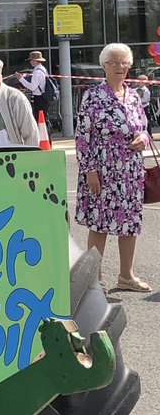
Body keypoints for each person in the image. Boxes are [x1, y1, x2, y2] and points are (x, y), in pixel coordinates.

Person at [75, 42, 151, 293]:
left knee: (130, 222)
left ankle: (126, 276)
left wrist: (143, 138)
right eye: (115, 62)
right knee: (99, 225)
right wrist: (89, 170)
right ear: (104, 66)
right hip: (103, 170)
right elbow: (83, 137)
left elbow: (143, 126)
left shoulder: (133, 95)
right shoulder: (93, 97)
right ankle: (93, 281)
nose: (120, 67)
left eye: (124, 63)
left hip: (130, 170)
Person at [18, 50, 51, 120]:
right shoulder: (42, 69)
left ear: (36, 61)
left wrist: (21, 79)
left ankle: (40, 131)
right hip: (43, 96)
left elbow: (32, 87)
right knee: (43, 118)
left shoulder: (37, 72)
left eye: (32, 60)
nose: (30, 62)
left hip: (39, 97)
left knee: (39, 118)